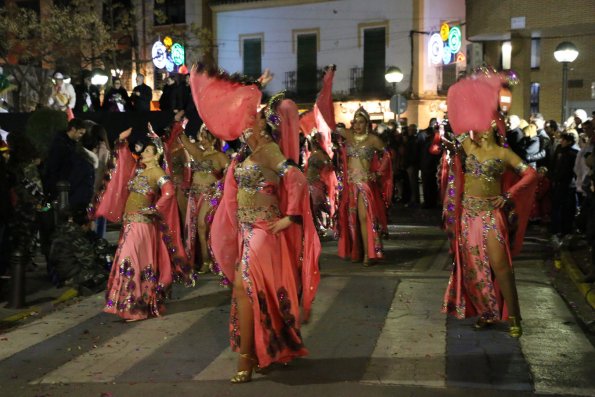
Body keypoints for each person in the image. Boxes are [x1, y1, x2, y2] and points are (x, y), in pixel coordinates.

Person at [190, 66, 320, 383]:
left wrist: (290, 215)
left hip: (265, 230)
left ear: (265, 126)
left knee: (243, 289)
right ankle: (270, 348)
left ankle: (246, 360)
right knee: (254, 293)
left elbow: (296, 178)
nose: (250, 122)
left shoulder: (268, 151)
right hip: (248, 232)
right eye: (249, 118)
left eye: (257, 118)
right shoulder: (242, 157)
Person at [441, 69, 537, 338]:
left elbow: (531, 174)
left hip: (490, 216)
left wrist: (507, 196)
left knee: (501, 266)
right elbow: (452, 124)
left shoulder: (504, 153)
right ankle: (487, 312)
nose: (480, 128)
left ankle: (515, 316)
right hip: (467, 215)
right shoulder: (468, 148)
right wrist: (472, 85)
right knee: (474, 267)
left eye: (485, 123)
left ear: (495, 125)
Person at [91, 126, 194, 321]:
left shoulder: (157, 173)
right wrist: (121, 143)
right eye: (144, 150)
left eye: (148, 151)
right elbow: (123, 165)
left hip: (142, 224)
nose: (143, 153)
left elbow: (169, 192)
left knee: (131, 262)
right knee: (128, 261)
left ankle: (136, 308)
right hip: (131, 224)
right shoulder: (139, 171)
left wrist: (155, 208)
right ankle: (133, 305)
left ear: (157, 156)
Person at [337, 107, 392, 266]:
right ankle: (357, 252)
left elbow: (387, 155)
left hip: (365, 184)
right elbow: (330, 126)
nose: (357, 125)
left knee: (363, 217)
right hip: (350, 184)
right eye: (355, 122)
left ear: (367, 123)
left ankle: (369, 253)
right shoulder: (348, 135)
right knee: (351, 219)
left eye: (361, 122)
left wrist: (378, 173)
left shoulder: (373, 140)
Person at [179, 124, 228, 273]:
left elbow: (231, 174)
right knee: (199, 229)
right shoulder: (199, 154)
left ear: (214, 140)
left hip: (209, 196)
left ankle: (214, 260)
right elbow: (184, 141)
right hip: (195, 196)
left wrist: (217, 187)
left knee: (202, 225)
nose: (204, 141)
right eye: (203, 137)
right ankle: (206, 260)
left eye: (207, 138)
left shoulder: (220, 156)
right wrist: (178, 125)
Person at [306, 132, 337, 233]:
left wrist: (322, 176)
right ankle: (317, 226)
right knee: (312, 205)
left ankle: (323, 223)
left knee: (316, 205)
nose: (314, 142)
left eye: (316, 140)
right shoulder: (313, 152)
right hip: (309, 182)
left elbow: (330, 167)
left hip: (316, 182)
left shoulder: (322, 154)